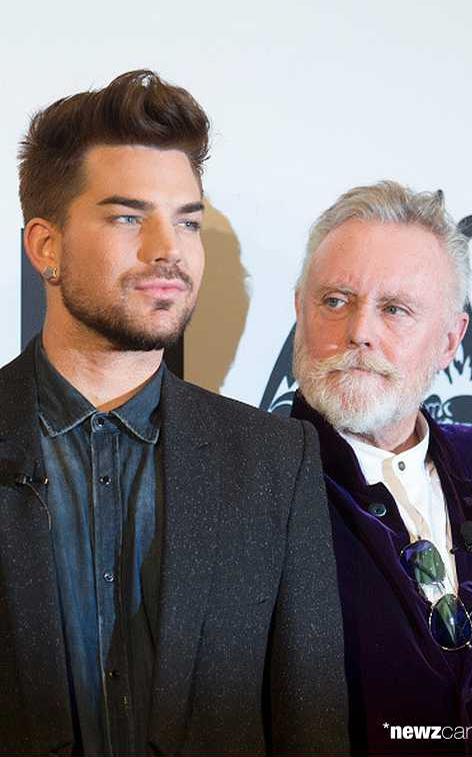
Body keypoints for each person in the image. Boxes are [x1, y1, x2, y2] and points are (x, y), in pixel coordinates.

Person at [0, 70, 349, 756]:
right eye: (129, 216)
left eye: (187, 220)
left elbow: (314, 728)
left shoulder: (276, 462)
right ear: (45, 247)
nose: (169, 248)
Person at [291, 180, 472, 755]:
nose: (359, 332)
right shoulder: (252, 484)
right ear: (299, 311)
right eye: (335, 300)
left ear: (451, 340)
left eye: (395, 310)